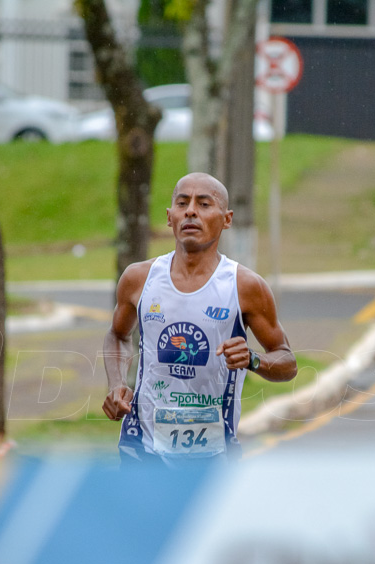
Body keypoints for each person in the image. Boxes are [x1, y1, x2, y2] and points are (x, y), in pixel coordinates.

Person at [102, 173, 297, 466]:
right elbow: (117, 335)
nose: (191, 211)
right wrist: (116, 383)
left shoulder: (244, 286)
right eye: (182, 203)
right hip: (142, 448)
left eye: (204, 204)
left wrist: (253, 359)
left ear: (227, 218)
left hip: (213, 454)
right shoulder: (139, 278)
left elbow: (288, 362)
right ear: (170, 217)